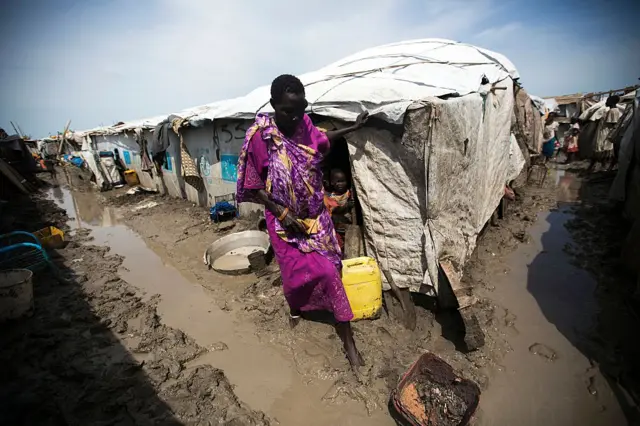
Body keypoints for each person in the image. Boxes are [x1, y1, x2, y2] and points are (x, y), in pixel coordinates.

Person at [236, 74, 369, 369]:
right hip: (284, 223)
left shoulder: (304, 126)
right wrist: (283, 213)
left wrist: (353, 128)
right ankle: (297, 307)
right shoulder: (262, 137)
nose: (295, 117)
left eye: (300, 109)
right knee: (294, 276)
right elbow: (254, 185)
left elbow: (323, 139)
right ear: (273, 105)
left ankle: (348, 342)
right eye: (287, 110)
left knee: (330, 270)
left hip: (314, 217)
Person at [588, 95, 621, 172]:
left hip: (605, 134)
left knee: (601, 150)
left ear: (612, 102)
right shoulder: (610, 110)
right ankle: (602, 167)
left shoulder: (613, 111)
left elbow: (614, 124)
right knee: (601, 150)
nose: (606, 102)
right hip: (603, 133)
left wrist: (611, 135)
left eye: (608, 101)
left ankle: (596, 166)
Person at [324, 168, 353, 252]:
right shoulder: (330, 197)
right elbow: (334, 210)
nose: (341, 184)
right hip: (336, 226)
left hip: (348, 225)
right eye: (338, 181)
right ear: (332, 183)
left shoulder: (349, 193)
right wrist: (346, 206)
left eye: (343, 181)